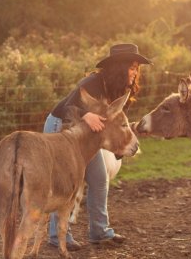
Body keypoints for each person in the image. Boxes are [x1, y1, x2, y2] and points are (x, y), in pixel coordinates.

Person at [43, 43, 152, 251]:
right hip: (61, 126)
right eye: (132, 67)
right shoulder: (93, 81)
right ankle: (57, 236)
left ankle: (99, 232)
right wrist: (87, 115)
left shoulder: (119, 90)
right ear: (119, 68)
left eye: (137, 68)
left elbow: (114, 123)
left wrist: (124, 143)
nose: (135, 72)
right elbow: (68, 107)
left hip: (86, 136)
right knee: (65, 183)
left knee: (99, 178)